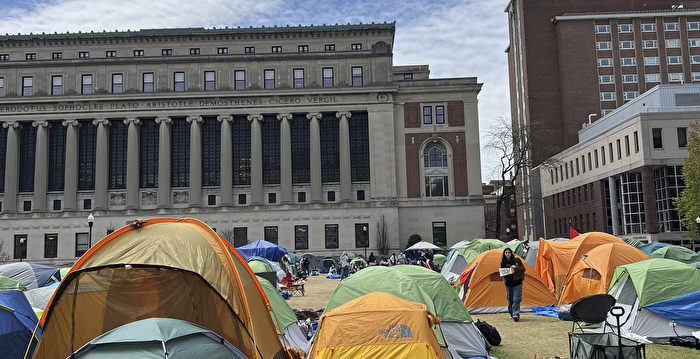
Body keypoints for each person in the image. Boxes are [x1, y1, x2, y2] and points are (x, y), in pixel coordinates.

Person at [500, 248, 525, 322]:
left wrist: (516, 268)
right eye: (506, 253)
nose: (508, 254)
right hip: (508, 283)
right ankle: (512, 313)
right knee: (510, 299)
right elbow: (502, 272)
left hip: (517, 282)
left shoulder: (517, 260)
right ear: (504, 254)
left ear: (511, 253)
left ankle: (516, 314)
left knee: (517, 299)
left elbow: (523, 269)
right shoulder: (503, 262)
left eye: (509, 252)